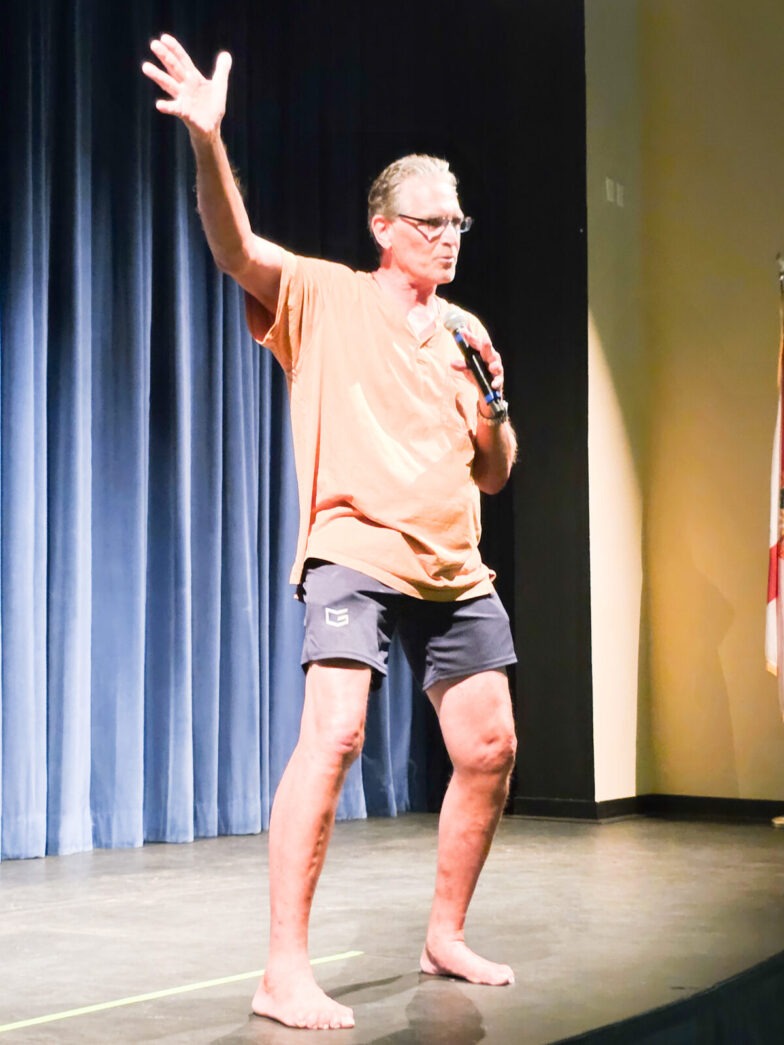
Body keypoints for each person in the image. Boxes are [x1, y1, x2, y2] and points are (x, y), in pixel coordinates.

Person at [142, 34, 519, 1032]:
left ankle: (445, 932)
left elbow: (492, 470)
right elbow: (235, 249)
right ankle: (281, 971)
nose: (449, 237)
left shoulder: (465, 331)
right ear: (383, 229)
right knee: (336, 733)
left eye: (457, 221)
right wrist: (208, 145)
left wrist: (494, 410)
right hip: (351, 548)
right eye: (430, 222)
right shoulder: (321, 292)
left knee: (488, 746)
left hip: (453, 564)